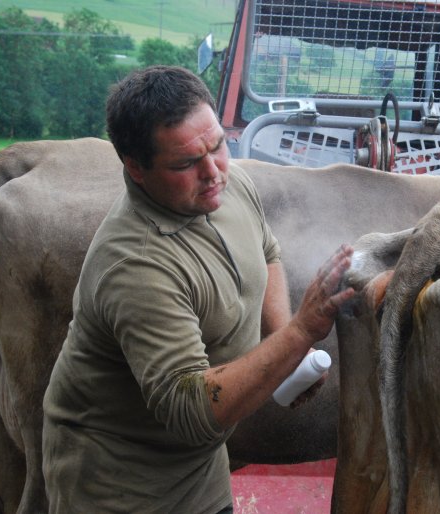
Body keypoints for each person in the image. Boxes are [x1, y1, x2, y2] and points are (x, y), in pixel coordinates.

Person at [42, 65, 355, 513]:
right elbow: (191, 413)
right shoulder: (137, 264)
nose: (214, 172)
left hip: (200, 470)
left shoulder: (227, 184)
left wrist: (286, 347)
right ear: (136, 167)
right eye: (186, 163)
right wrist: (301, 333)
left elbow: (266, 252)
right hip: (118, 488)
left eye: (218, 146)